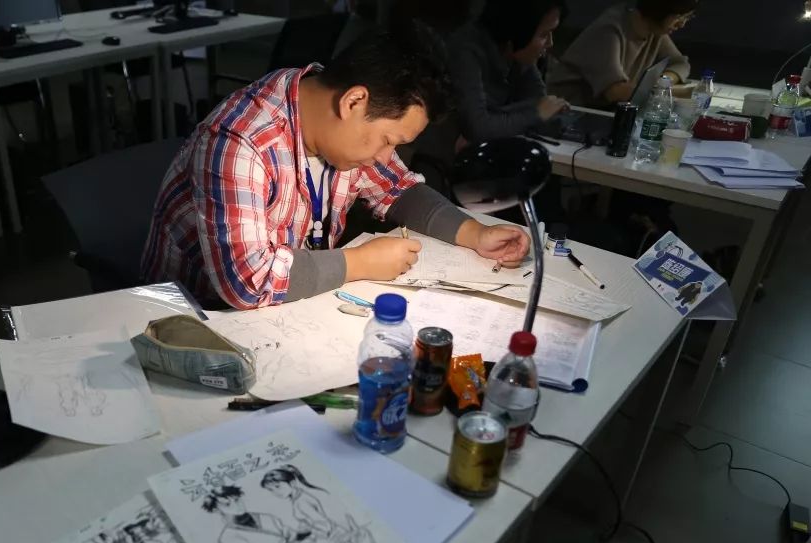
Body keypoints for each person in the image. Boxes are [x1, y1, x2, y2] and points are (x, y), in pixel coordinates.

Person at [141, 22, 531, 311]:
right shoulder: (240, 142)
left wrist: (475, 233)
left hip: (288, 305)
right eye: (388, 140)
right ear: (353, 101)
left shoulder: (336, 123)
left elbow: (398, 188)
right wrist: (359, 262)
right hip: (195, 315)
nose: (386, 157)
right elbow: (248, 281)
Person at [446, 0, 570, 143]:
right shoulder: (466, 52)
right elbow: (478, 129)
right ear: (518, 33)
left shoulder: (518, 53)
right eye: (543, 35)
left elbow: (538, 101)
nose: (550, 43)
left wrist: (495, 118)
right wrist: (535, 114)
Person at [547, 0, 696, 108]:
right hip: (568, 110)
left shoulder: (654, 30)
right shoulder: (611, 29)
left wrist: (663, 81)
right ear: (660, 9)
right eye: (679, 16)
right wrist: (674, 93)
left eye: (687, 18)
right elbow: (616, 91)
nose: (682, 24)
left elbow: (680, 63)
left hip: (603, 110)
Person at [260, 465, 336, 543]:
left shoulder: (301, 501)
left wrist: (305, 539)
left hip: (326, 541)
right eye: (271, 490)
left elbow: (324, 526)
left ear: (292, 483)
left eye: (277, 486)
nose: (276, 492)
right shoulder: (298, 498)